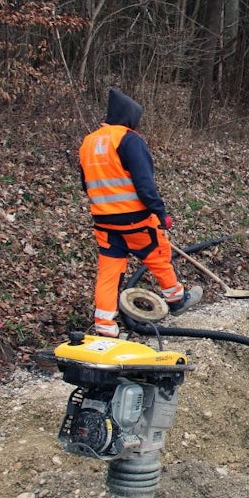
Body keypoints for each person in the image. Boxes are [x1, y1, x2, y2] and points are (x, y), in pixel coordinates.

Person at [79, 88, 201, 337]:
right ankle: (176, 299)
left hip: (103, 222)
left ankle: (105, 326)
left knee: (109, 272)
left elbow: (85, 184)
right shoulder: (128, 139)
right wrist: (161, 212)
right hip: (134, 218)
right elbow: (145, 184)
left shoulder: (89, 142)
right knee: (157, 254)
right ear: (130, 117)